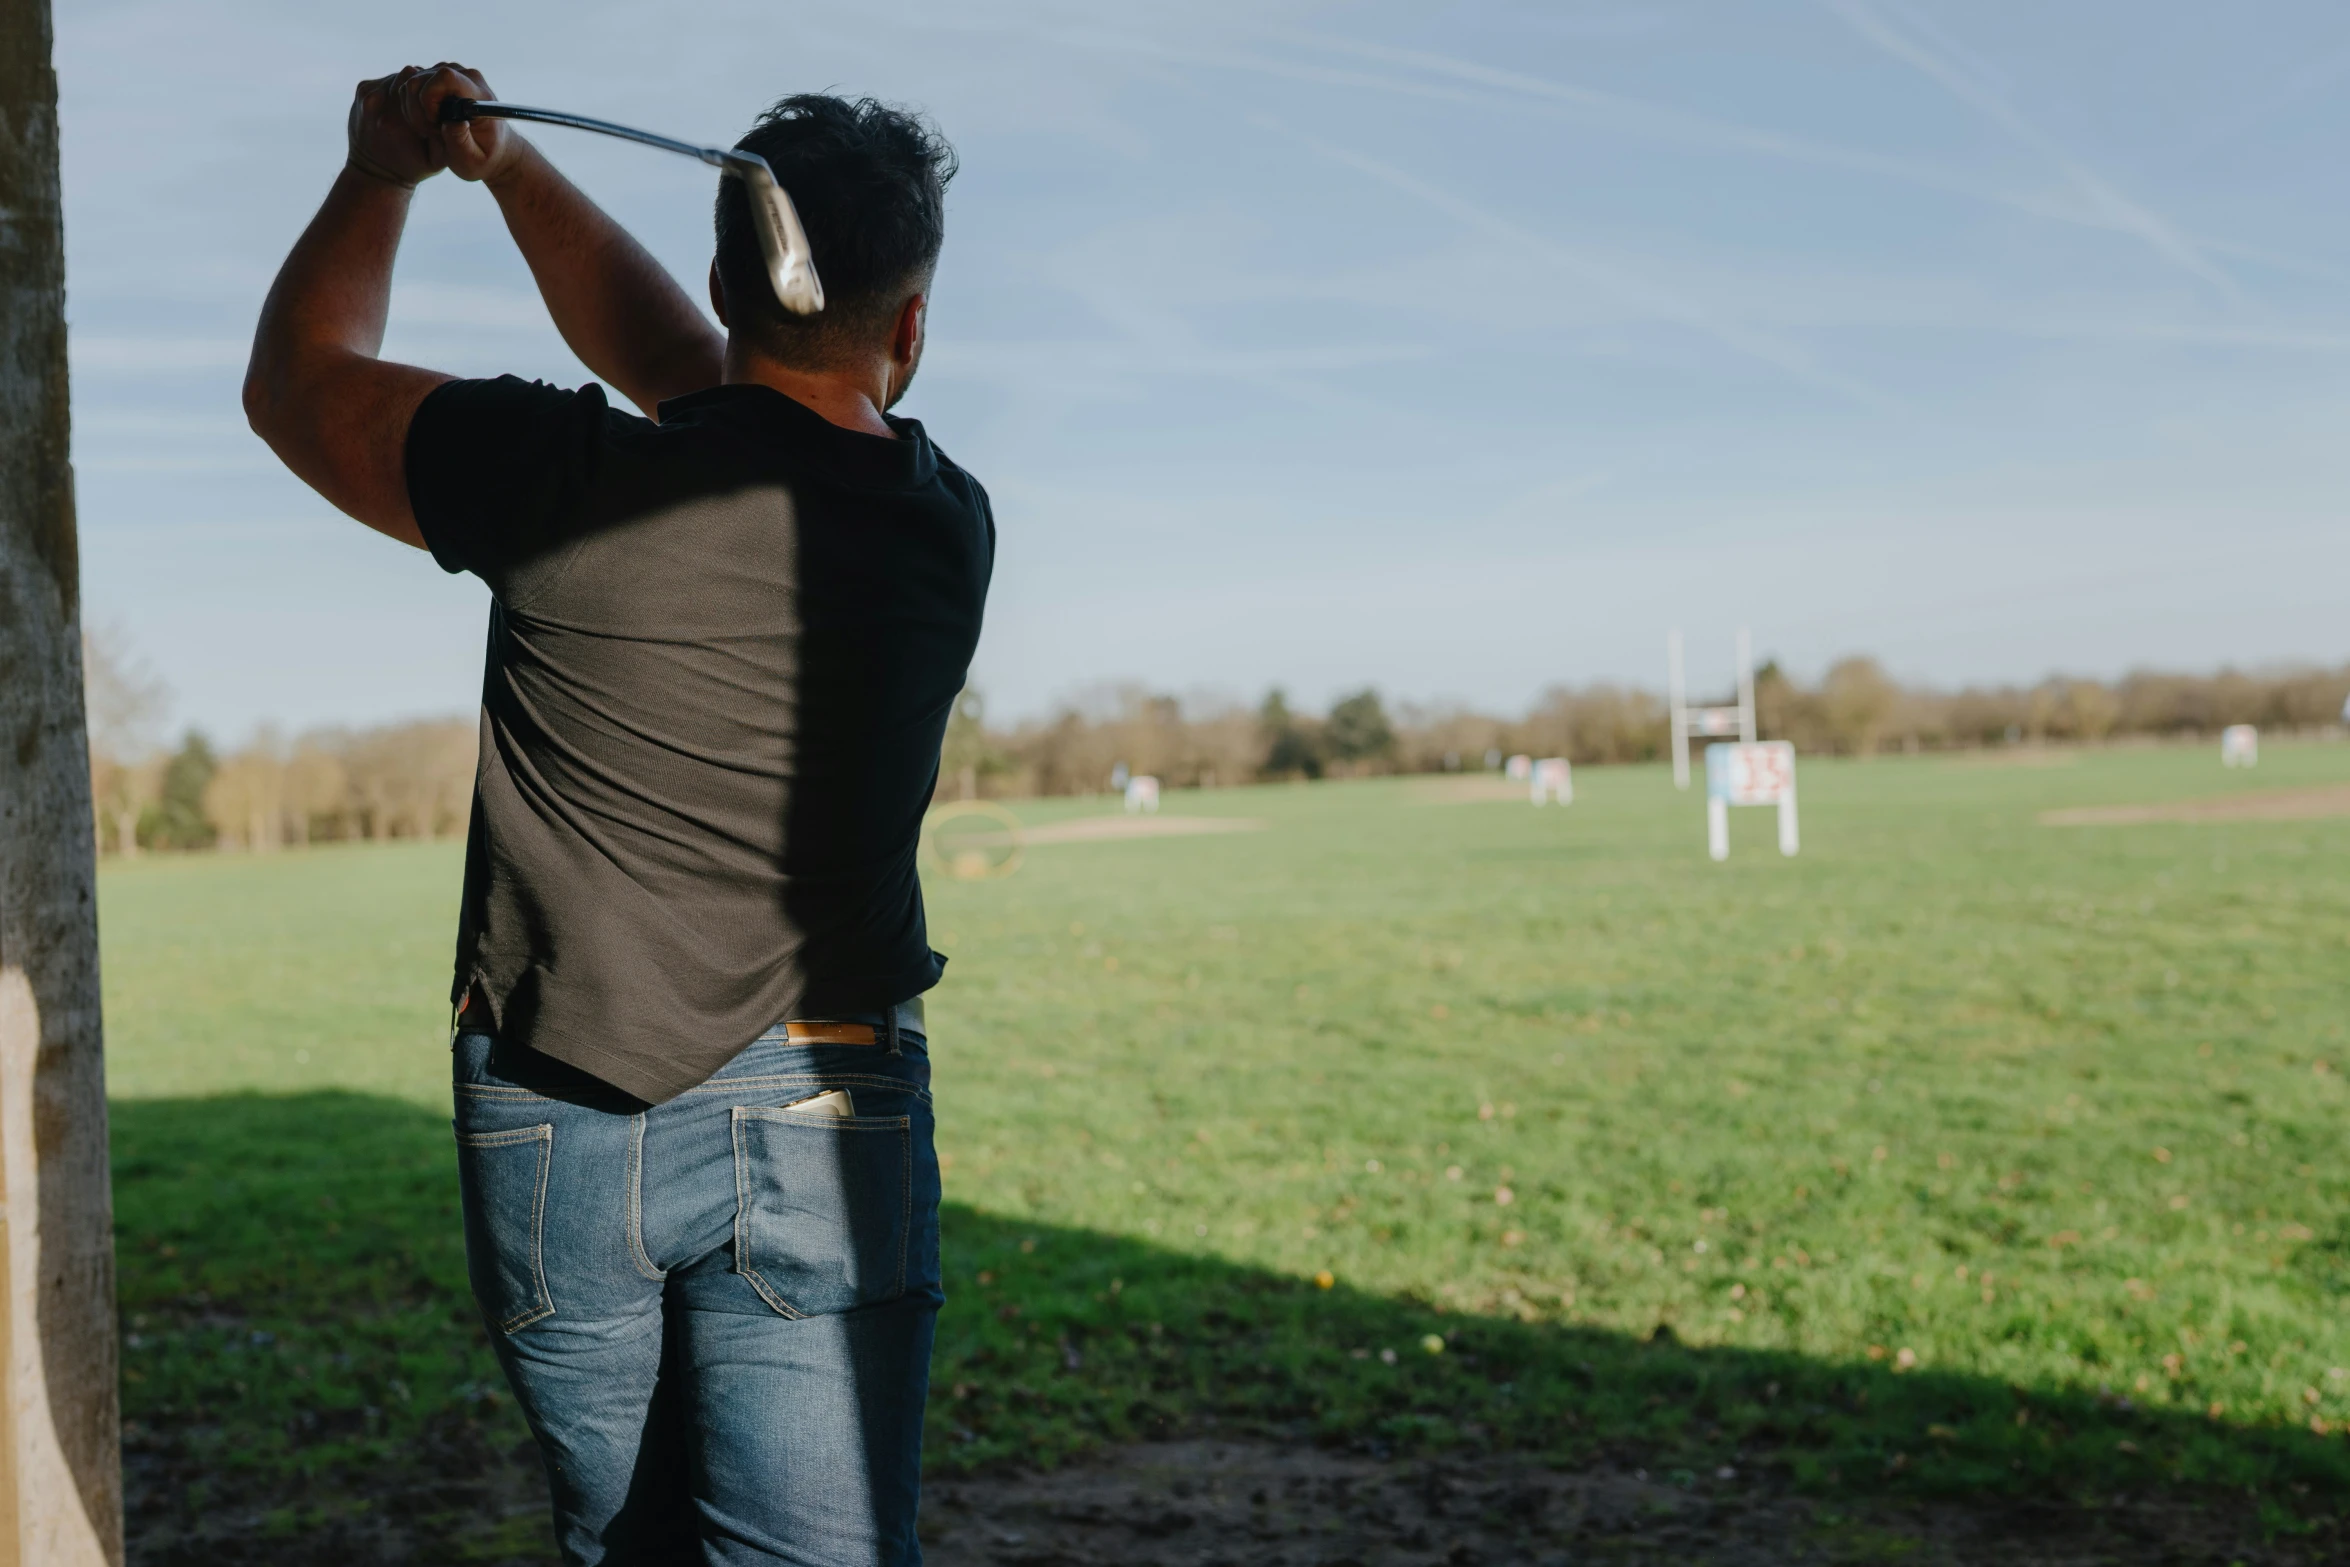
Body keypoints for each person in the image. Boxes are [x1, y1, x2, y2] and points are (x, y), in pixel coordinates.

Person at [243, 62, 990, 1566]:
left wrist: (388, 173)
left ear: (725, 277)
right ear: (909, 325)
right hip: (827, 1099)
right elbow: (706, 383)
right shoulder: (938, 522)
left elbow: (299, 380)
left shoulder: (561, 479)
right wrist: (510, 171)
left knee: (624, 1548)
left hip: (559, 1113)